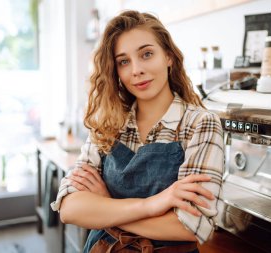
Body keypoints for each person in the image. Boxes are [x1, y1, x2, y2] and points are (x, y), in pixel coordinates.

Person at [51, 10, 224, 253]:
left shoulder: (200, 125)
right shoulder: (107, 124)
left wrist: (106, 206)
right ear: (116, 71)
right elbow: (69, 209)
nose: (136, 70)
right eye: (124, 61)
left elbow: (191, 227)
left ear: (169, 56)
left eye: (147, 54)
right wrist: (153, 205)